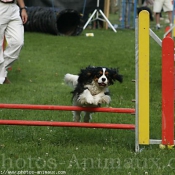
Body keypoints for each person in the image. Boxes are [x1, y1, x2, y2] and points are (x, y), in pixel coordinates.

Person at [0, 0, 28, 84]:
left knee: (18, 42)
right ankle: (2, 76)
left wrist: (23, 8)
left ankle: (2, 72)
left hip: (14, 7)